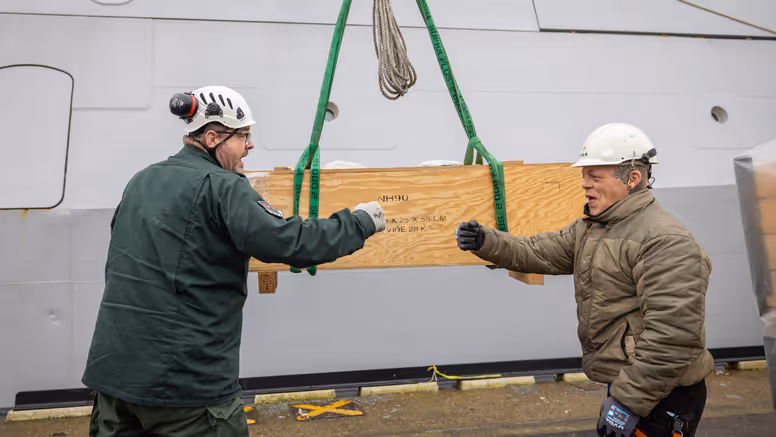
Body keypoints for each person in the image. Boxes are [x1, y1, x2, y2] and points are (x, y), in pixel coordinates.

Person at [83, 85, 386, 437]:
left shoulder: (142, 179)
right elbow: (292, 242)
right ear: (212, 137)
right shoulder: (224, 186)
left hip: (114, 378)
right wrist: (361, 222)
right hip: (186, 388)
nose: (250, 145)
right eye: (244, 135)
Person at [456, 123, 713, 437]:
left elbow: (673, 337)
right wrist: (486, 242)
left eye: (595, 177)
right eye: (584, 175)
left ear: (632, 179)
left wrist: (628, 402)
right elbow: (539, 251)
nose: (584, 185)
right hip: (631, 384)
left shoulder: (666, 241)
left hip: (663, 393)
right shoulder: (593, 229)